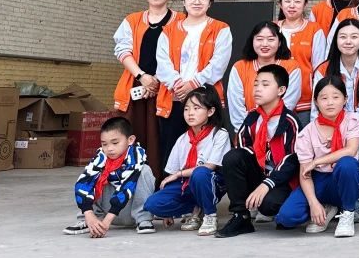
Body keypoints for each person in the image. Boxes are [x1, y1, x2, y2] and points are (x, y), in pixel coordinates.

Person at [216, 64, 301, 237]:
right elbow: (242, 150)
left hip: (282, 181)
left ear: (281, 90)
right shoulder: (253, 117)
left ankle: (284, 209)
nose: (257, 89)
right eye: (255, 84)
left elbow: (292, 161)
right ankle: (241, 216)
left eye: (265, 84)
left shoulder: (289, 121)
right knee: (233, 157)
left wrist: (267, 184)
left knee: (268, 205)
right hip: (259, 174)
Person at [156, 0, 232, 168]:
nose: (197, 1)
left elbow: (219, 64)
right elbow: (162, 63)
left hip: (206, 100)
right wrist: (178, 85)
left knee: (208, 151)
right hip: (174, 98)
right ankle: (172, 184)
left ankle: (203, 183)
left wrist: (193, 85)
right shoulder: (169, 30)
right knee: (172, 150)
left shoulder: (221, 29)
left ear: (210, 2)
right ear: (184, 1)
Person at [273, 75, 359, 237]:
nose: (330, 102)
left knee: (347, 164)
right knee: (286, 217)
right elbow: (305, 173)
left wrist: (317, 161)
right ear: (316, 102)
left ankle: (347, 212)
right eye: (324, 98)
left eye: (336, 97)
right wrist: (313, 203)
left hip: (341, 180)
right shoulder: (307, 132)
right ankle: (324, 209)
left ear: (345, 99)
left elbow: (351, 150)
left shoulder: (352, 120)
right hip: (317, 180)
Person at [314, 18, 359, 216]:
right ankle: (328, 201)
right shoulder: (323, 69)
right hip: (328, 125)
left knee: (351, 153)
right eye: (343, 36)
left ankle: (354, 208)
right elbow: (316, 106)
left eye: (354, 37)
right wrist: (318, 132)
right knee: (319, 149)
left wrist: (344, 130)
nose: (348, 41)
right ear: (335, 40)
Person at [113, 0, 177, 179]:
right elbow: (122, 50)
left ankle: (160, 183)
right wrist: (142, 76)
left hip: (167, 88)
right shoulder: (131, 20)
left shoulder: (181, 21)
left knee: (161, 138)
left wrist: (159, 80)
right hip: (136, 86)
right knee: (131, 134)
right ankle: (127, 182)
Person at [143, 86, 230, 236]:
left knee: (200, 173)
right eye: (186, 109)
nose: (190, 113)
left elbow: (209, 166)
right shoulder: (183, 139)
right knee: (152, 204)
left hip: (210, 182)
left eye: (196, 108)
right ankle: (195, 209)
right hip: (186, 184)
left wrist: (179, 174)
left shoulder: (219, 134)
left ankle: (209, 215)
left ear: (210, 111)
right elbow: (171, 172)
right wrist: (167, 211)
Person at [64, 116, 155, 236]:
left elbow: (127, 187)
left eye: (115, 143)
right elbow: (82, 185)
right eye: (104, 144)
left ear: (130, 140)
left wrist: (107, 221)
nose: (109, 148)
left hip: (130, 213)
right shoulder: (100, 159)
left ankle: (144, 219)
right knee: (91, 175)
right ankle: (90, 222)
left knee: (144, 171)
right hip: (104, 213)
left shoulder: (137, 158)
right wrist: (89, 214)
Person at [227, 21, 302, 132]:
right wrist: (248, 130)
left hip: (281, 130)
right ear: (252, 41)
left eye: (271, 39)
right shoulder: (239, 67)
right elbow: (236, 106)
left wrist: (269, 129)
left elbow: (289, 102)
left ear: (279, 42)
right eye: (259, 39)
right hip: (246, 130)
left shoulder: (292, 67)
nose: (265, 44)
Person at [276, 0, 327, 126]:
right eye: (287, 1)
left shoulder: (314, 29)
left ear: (305, 4)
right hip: (274, 100)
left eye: (297, 1)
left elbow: (319, 69)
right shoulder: (271, 28)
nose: (292, 5)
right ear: (280, 4)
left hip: (304, 103)